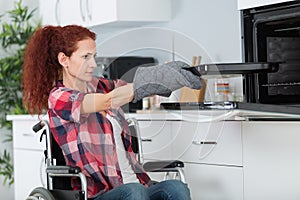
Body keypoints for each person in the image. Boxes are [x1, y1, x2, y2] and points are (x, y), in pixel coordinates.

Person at [22, 25, 202, 200]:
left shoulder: (100, 86)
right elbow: (109, 100)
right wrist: (149, 81)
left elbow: (131, 88)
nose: (93, 64)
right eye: (85, 57)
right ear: (64, 60)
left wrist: (168, 75)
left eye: (94, 56)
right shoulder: (59, 97)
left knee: (175, 187)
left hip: (136, 183)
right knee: (134, 192)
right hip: (98, 193)